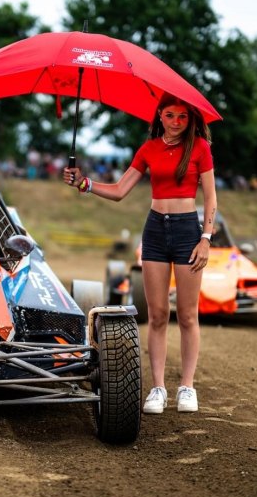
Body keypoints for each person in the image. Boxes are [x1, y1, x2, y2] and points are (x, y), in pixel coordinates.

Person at [62, 93, 216, 414]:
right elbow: (119, 191)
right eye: (170, 115)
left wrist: (206, 238)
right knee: (158, 314)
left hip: (189, 229)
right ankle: (157, 388)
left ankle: (187, 387)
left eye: (183, 117)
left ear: (190, 120)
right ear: (159, 116)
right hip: (156, 229)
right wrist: (84, 184)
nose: (176, 122)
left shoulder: (200, 148)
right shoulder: (148, 149)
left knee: (187, 314)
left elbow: (212, 199)